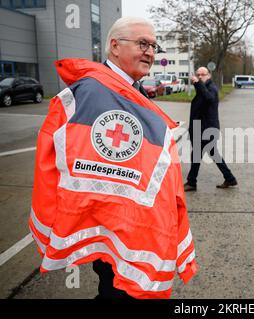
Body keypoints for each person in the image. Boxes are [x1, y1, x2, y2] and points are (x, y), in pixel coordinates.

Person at [28, 17, 198, 299]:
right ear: (115, 46)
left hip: (127, 225)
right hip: (113, 225)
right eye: (142, 43)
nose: (151, 52)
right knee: (116, 289)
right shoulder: (94, 93)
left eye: (154, 46)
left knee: (115, 289)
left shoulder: (128, 89)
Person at [184, 67, 238, 192]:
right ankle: (230, 178)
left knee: (196, 155)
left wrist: (197, 83)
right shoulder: (204, 88)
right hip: (202, 128)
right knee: (213, 154)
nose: (200, 76)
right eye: (198, 75)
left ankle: (192, 182)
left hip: (206, 130)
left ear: (209, 75)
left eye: (203, 74)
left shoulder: (211, 88)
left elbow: (208, 98)